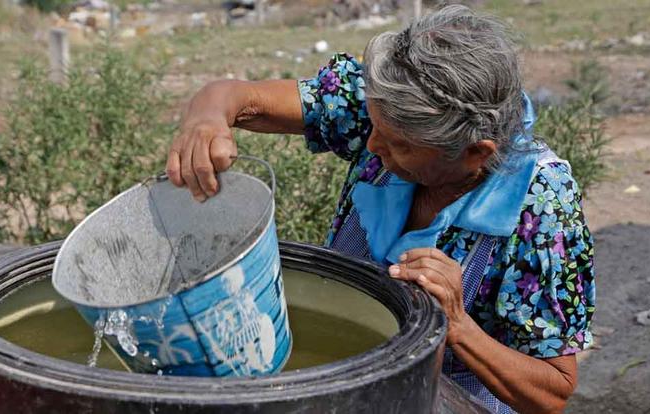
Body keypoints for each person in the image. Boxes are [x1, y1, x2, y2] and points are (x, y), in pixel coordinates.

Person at [165, 5, 594, 413]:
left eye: (399, 145)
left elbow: (552, 393)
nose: (371, 146)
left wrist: (458, 326)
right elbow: (235, 97)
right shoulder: (387, 103)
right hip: (342, 375)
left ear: (473, 154)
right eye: (375, 126)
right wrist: (206, 120)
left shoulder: (540, 209)